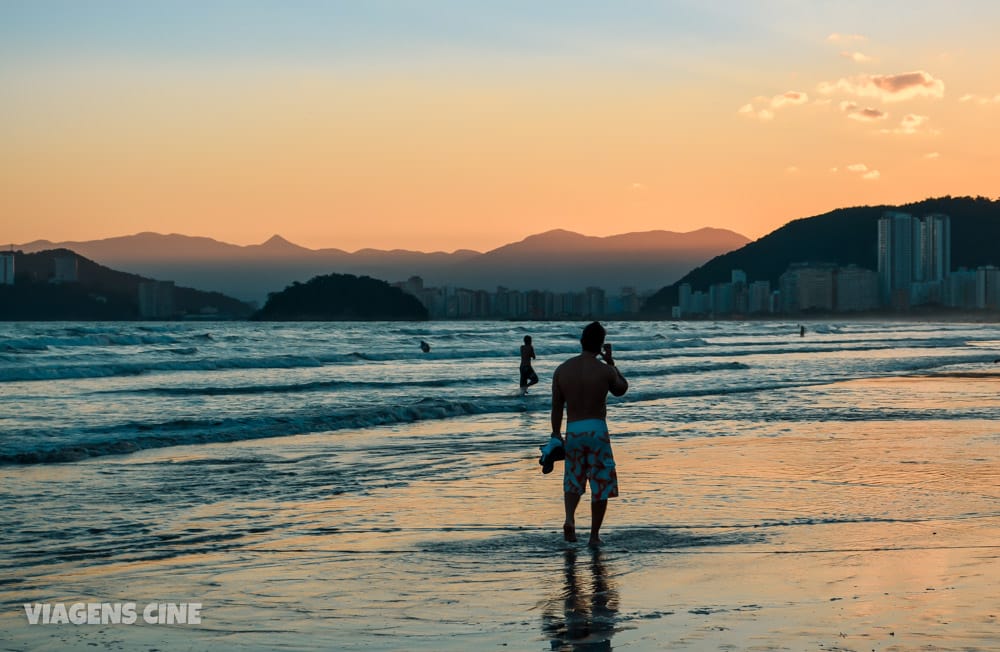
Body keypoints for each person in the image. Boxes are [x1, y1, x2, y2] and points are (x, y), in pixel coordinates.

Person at [551, 321, 628, 547]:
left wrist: (556, 434)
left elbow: (556, 406)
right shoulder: (604, 370)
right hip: (597, 430)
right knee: (600, 482)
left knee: (573, 478)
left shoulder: (562, 370)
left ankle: (569, 519)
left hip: (573, 429)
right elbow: (621, 389)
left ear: (581, 341)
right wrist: (612, 363)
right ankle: (594, 536)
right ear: (601, 345)